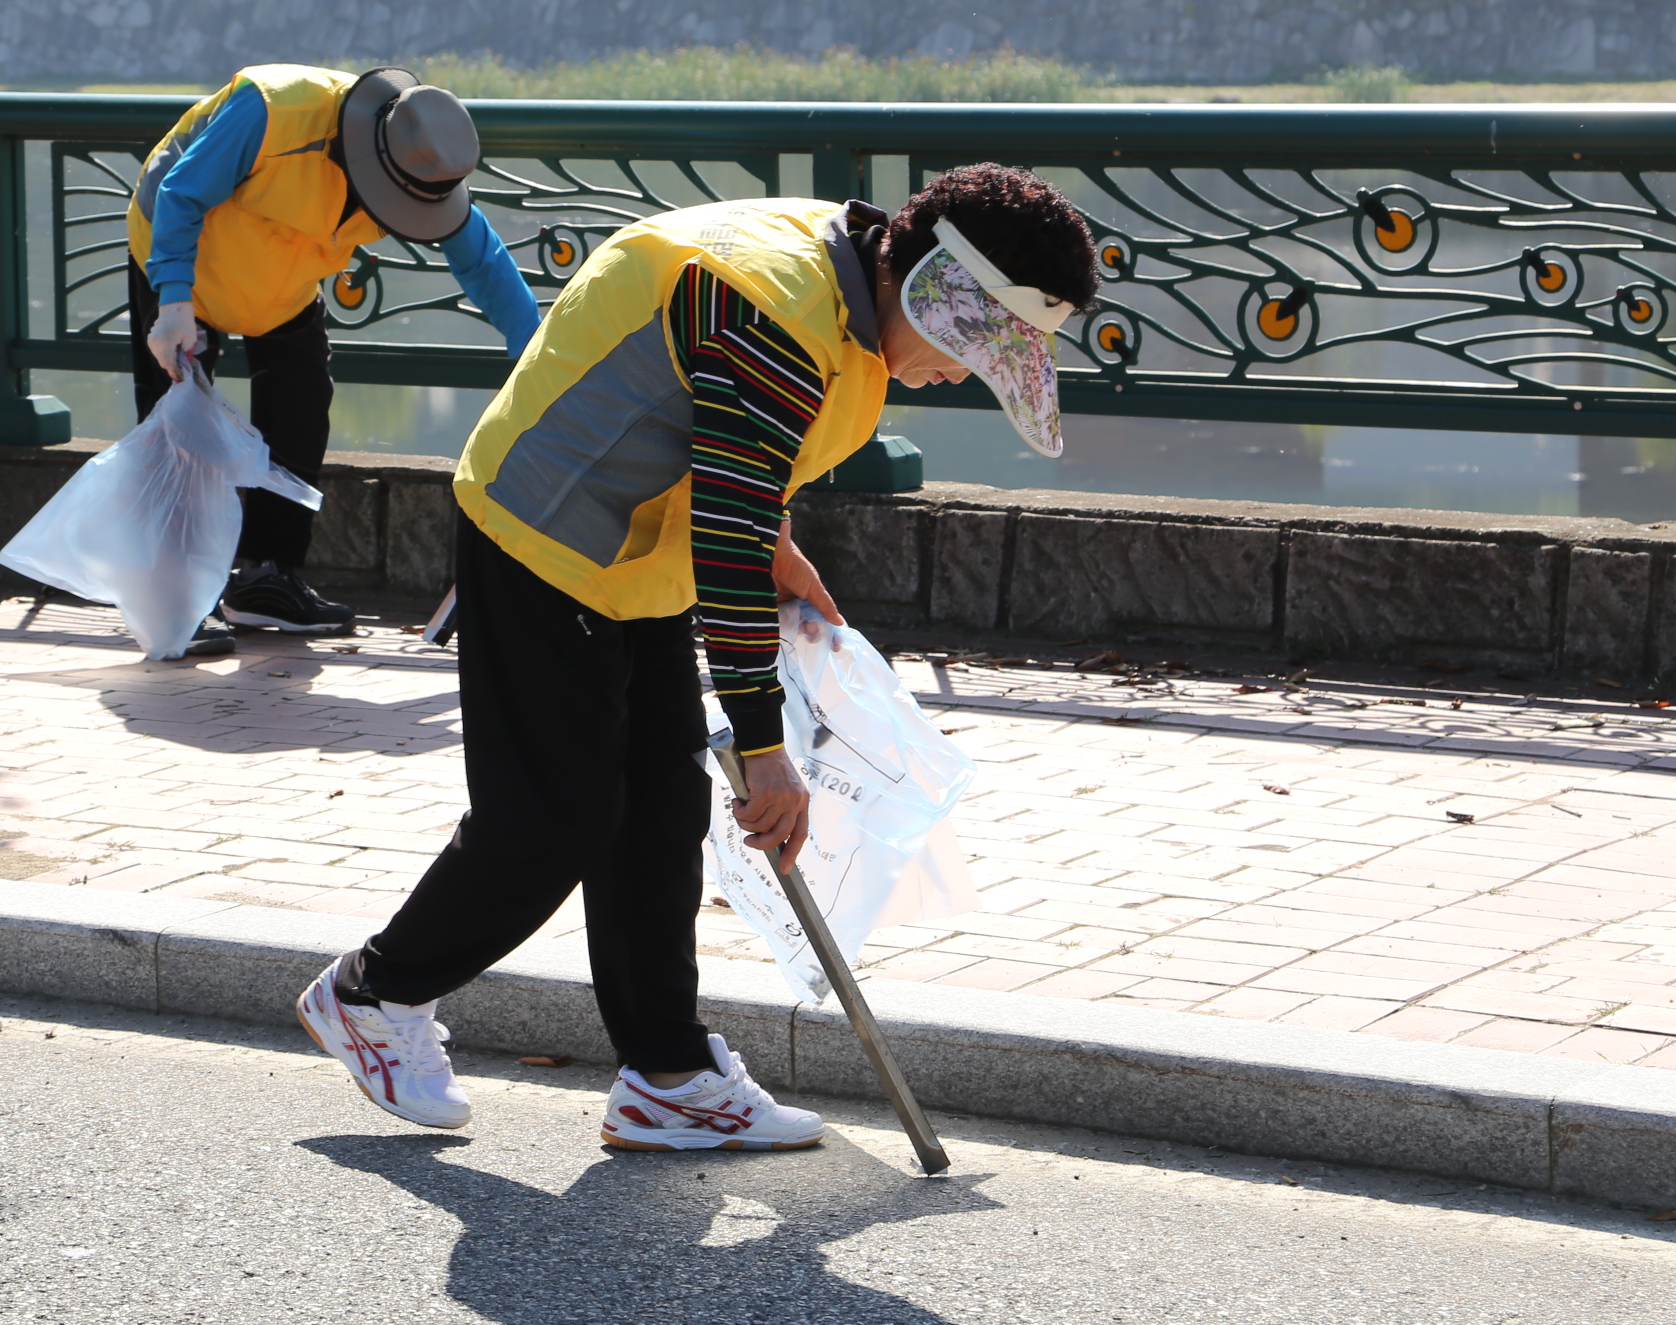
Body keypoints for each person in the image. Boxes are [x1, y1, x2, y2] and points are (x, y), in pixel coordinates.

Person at [295, 163, 1098, 1149]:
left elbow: (734, 470)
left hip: (647, 541)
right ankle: (372, 996)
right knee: (556, 815)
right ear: (926, 290)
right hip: (546, 531)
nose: (964, 373)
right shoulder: (779, 312)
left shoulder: (855, 266)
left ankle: (666, 1076)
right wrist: (767, 752)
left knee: (660, 813)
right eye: (972, 348)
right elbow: (726, 541)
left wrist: (774, 535)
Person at [126, 64, 541, 654]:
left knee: (300, 405)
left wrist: (534, 347)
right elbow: (182, 192)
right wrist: (171, 302)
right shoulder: (272, 112)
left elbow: (482, 260)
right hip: (183, 261)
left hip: (282, 282)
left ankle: (267, 578)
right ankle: (172, 602)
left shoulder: (419, 155)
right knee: (179, 433)